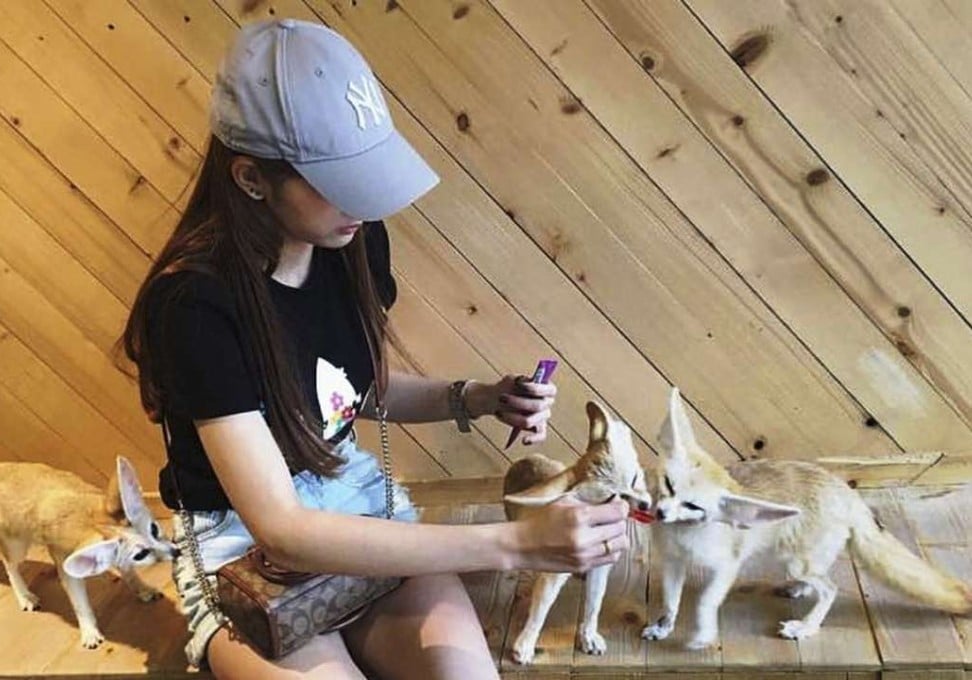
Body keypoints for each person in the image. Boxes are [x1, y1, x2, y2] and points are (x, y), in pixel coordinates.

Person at [121, 18, 630, 680]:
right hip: (246, 553)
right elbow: (280, 527)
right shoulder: (194, 306)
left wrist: (474, 397)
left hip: (353, 502)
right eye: (339, 179)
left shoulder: (350, 241)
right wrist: (512, 543)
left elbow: (348, 392)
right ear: (251, 179)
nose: (363, 201)